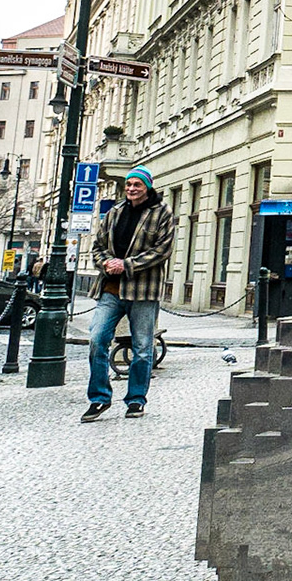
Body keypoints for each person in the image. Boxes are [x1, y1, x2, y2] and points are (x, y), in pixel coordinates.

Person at [83, 167, 173, 422]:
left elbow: (162, 250)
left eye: (138, 185)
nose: (132, 188)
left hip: (143, 291)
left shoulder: (162, 212)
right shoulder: (115, 212)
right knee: (97, 338)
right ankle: (99, 398)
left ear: (148, 186)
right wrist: (106, 263)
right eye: (129, 184)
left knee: (143, 347)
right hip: (110, 289)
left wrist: (128, 264)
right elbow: (98, 247)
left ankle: (136, 400)